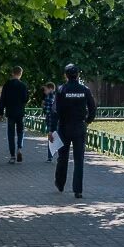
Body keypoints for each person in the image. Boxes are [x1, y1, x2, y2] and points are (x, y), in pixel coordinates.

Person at [52, 63, 96, 198]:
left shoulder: (61, 90)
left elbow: (55, 111)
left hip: (64, 127)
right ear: (78, 75)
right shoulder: (85, 90)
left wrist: (52, 129)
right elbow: (93, 108)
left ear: (65, 75)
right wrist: (87, 121)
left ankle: (60, 183)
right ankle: (78, 190)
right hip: (79, 127)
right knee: (79, 159)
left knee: (62, 157)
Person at [0, 66, 29, 164]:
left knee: (10, 134)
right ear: (21, 74)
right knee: (20, 132)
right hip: (20, 113)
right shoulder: (23, 85)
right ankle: (19, 148)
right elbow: (25, 99)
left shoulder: (7, 85)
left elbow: (2, 99)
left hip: (10, 113)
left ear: (12, 73)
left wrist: (1, 113)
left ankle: (12, 156)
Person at [42, 82, 57, 162]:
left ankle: (50, 156)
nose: (44, 91)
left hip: (50, 119)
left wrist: (43, 106)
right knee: (57, 137)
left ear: (50, 89)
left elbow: (47, 111)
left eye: (46, 89)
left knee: (51, 137)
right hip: (57, 119)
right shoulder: (56, 96)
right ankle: (57, 155)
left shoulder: (48, 98)